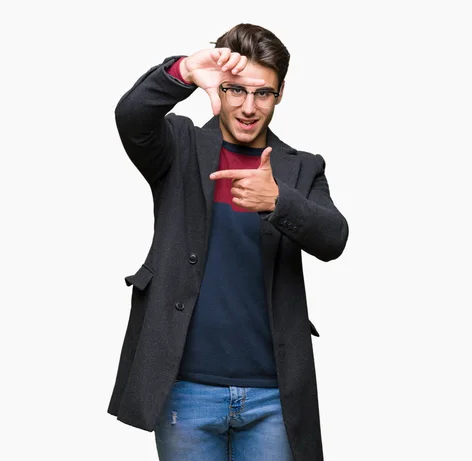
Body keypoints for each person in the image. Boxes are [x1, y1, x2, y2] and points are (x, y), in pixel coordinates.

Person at [107, 23, 349, 461]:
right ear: (219, 86)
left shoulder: (301, 168)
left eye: (263, 93)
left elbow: (334, 238)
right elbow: (131, 117)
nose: (248, 107)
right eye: (235, 90)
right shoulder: (179, 146)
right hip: (186, 390)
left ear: (279, 95)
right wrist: (182, 70)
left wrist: (278, 200)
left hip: (272, 397)